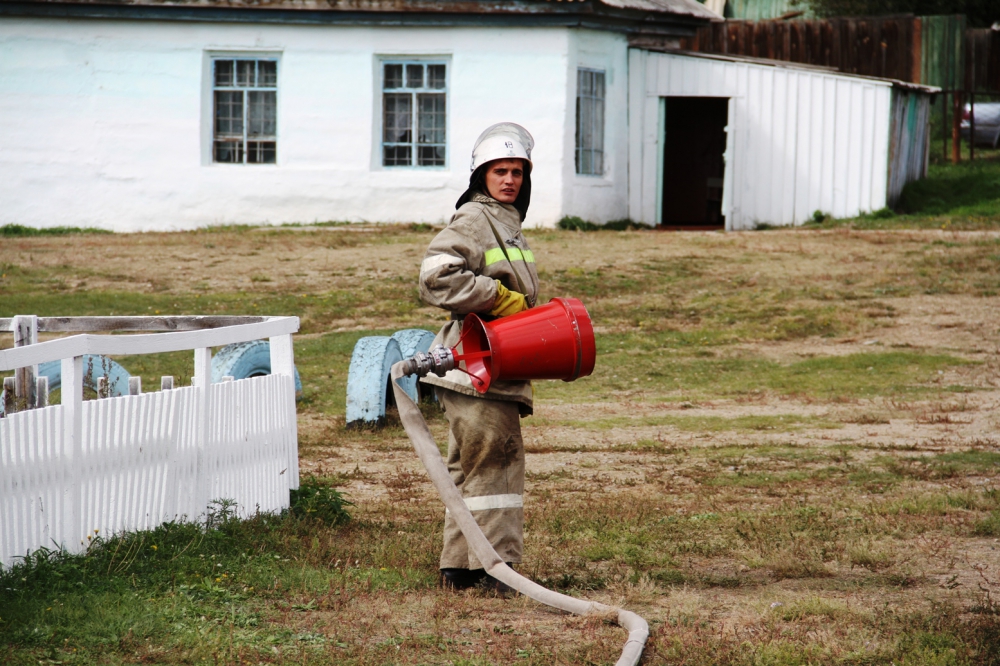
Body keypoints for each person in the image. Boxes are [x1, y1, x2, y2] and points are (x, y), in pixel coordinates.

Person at [418, 123, 540, 592]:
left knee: (469, 471)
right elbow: (436, 276)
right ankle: (498, 571)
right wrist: (497, 297)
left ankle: (459, 568)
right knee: (497, 466)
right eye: (499, 171)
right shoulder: (475, 217)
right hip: (477, 365)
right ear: (481, 175)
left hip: (483, 364)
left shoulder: (506, 223)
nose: (509, 180)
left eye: (517, 172)